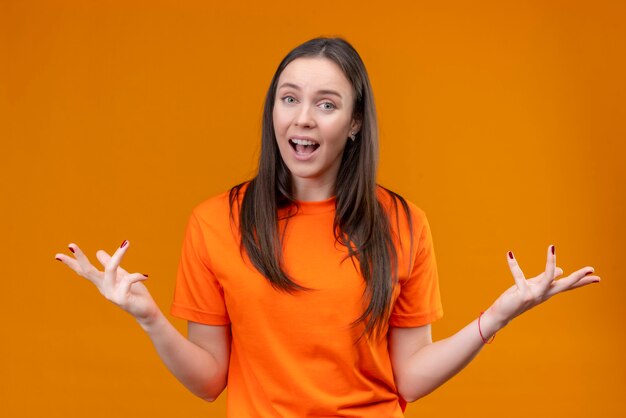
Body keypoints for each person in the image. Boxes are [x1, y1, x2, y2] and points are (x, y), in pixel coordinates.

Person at [55, 37, 600, 417]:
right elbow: (208, 383)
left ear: (356, 121)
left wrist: (500, 315)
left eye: (326, 103)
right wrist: (148, 317)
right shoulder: (215, 222)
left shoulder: (403, 224)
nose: (304, 118)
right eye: (289, 99)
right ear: (274, 111)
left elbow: (408, 377)